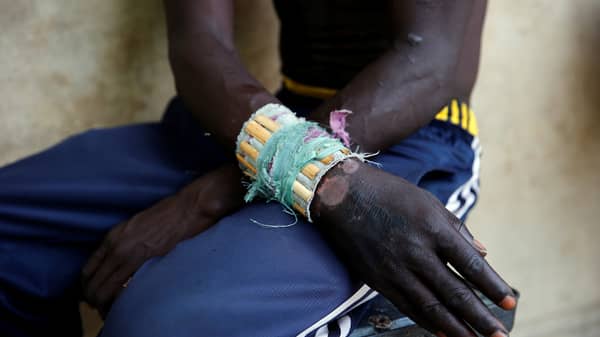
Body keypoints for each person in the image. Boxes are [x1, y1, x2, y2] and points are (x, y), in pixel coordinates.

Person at [0, 1, 517, 336]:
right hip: (259, 121)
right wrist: (279, 163)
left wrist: (209, 196)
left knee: (163, 326)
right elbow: (199, 43)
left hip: (403, 143)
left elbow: (434, 61)